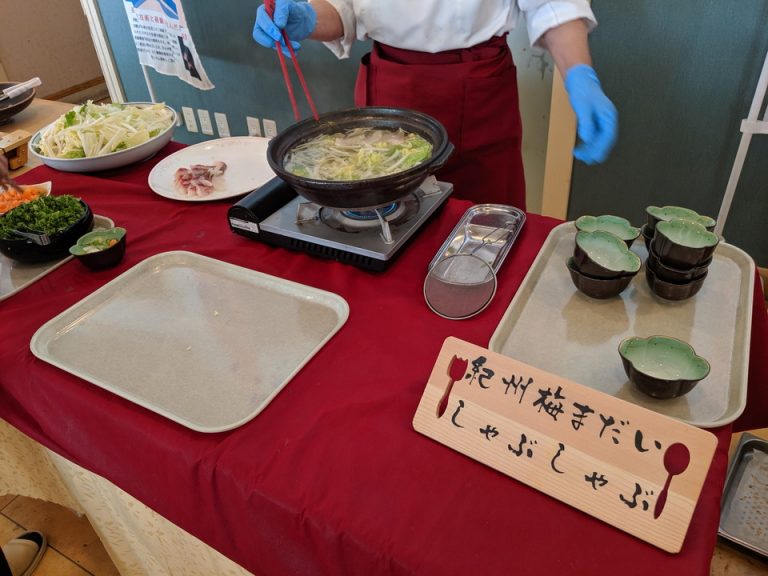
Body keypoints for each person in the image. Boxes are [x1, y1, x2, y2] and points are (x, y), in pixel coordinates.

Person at [252, 0, 618, 209]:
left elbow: (552, 4)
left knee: (485, 225)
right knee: (385, 220)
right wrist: (309, 18)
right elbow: (345, 9)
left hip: (478, 91)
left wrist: (579, 76)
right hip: (390, 86)